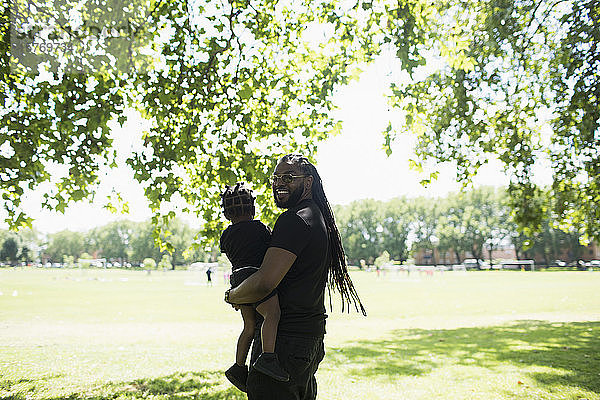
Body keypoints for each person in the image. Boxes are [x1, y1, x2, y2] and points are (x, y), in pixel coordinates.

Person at [224, 154, 366, 400]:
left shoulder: (295, 220)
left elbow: (264, 283)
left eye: (288, 177)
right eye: (276, 177)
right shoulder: (316, 217)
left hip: (284, 344)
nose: (280, 183)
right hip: (307, 339)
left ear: (308, 183)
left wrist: (232, 295)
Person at [220, 182, 289, 393]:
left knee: (249, 326)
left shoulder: (226, 235)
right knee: (272, 314)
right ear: (252, 207)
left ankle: (239, 367)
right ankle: (268, 357)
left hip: (238, 278)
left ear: (226, 212)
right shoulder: (259, 228)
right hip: (255, 276)